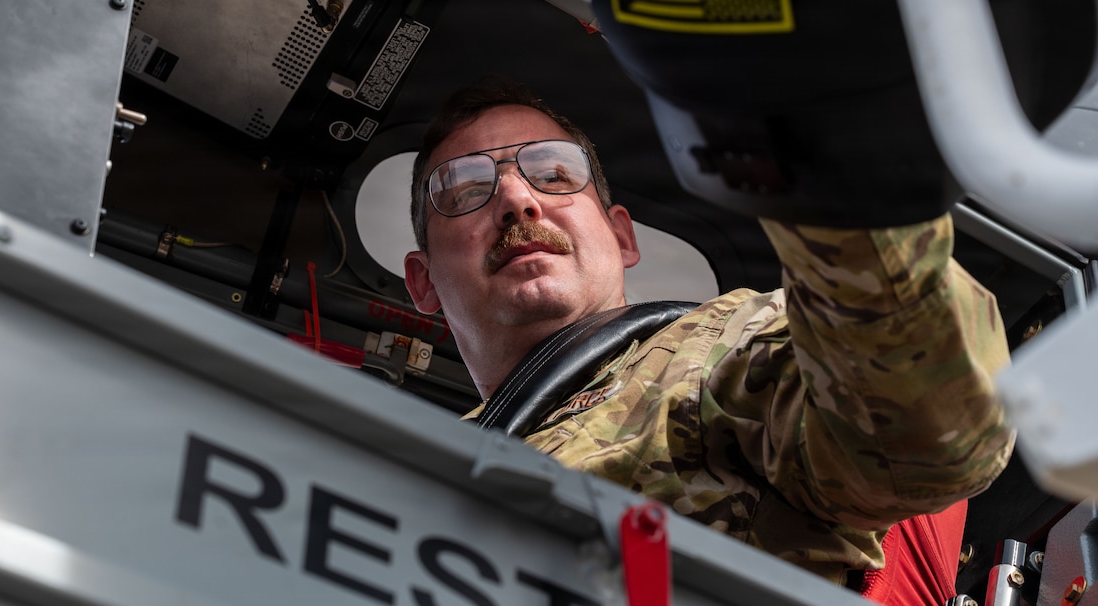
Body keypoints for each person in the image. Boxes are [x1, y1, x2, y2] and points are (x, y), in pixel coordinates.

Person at [402, 77, 1015, 589]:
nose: (515, 197)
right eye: (464, 189)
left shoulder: (715, 346)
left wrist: (826, 152)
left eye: (554, 173)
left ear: (621, 237)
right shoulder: (402, 464)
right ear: (423, 280)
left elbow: (927, 439)